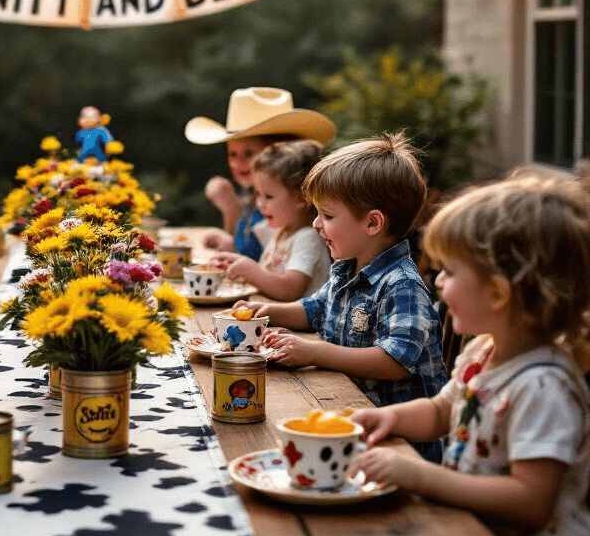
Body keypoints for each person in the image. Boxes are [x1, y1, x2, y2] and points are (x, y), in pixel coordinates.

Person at [349, 173, 590, 536]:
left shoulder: (542, 386)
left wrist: (422, 476)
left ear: (499, 292)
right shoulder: (483, 352)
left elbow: (531, 501)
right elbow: (443, 410)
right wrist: (387, 418)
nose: (437, 284)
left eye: (450, 272)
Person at [249, 133, 447, 462]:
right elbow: (315, 310)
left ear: (372, 223)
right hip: (345, 416)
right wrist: (268, 310)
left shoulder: (402, 285)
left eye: (328, 216)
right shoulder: (347, 267)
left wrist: (315, 352)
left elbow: (395, 362)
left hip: (396, 446)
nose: (315, 224)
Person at [184, 87, 336, 259]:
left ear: (278, 154)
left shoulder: (288, 207)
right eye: (232, 154)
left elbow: (273, 265)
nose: (238, 162)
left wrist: (230, 209)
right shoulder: (253, 199)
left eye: (249, 153)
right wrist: (230, 209)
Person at [209, 139, 330, 300]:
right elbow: (269, 275)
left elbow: (289, 289)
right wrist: (236, 262)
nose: (259, 203)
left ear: (301, 198)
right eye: (258, 193)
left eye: (268, 196)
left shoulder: (308, 238)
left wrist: (249, 270)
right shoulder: (281, 232)